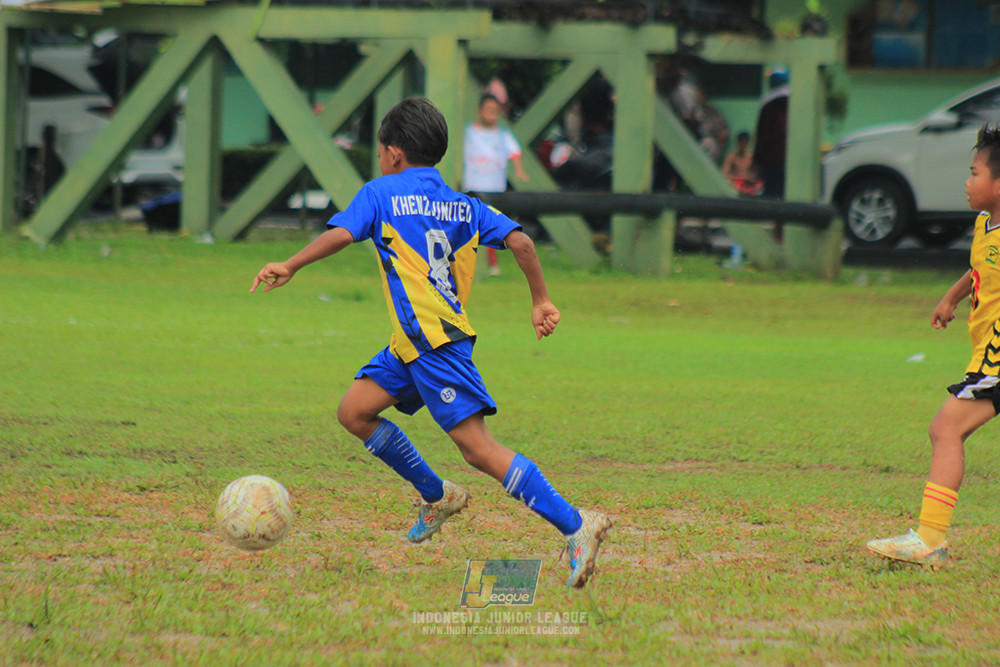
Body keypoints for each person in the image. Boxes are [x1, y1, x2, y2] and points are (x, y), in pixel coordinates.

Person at [251, 97, 612, 588]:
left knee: (479, 450)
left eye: (380, 150)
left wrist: (291, 264)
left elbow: (341, 234)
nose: (379, 159)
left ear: (394, 153)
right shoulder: (463, 203)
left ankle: (576, 524)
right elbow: (523, 244)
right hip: (411, 345)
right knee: (355, 411)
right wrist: (540, 300)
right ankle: (437, 494)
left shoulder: (381, 192)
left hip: (437, 346)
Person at [867, 124, 1000, 569]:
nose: (967, 180)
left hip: (996, 360)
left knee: (946, 430)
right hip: (987, 355)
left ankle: (929, 540)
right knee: (946, 430)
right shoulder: (986, 224)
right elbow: (978, 267)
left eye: (975, 172)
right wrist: (951, 297)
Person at [463, 93, 528, 276]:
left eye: (495, 111)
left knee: (489, 226)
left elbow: (515, 152)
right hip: (473, 187)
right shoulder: (469, 133)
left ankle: (490, 264)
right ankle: (476, 264)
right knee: (472, 227)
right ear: (479, 111)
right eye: (489, 110)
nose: (492, 114)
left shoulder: (502, 135)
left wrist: (519, 170)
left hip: (495, 189)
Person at [753, 67, 789, 199]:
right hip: (789, 156)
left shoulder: (767, 103)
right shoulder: (795, 100)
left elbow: (762, 133)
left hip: (771, 157)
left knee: (771, 191)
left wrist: (757, 157)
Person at [723, 131, 762, 197]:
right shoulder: (731, 157)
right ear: (738, 142)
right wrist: (736, 180)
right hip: (735, 186)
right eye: (741, 142)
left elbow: (755, 175)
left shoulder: (751, 158)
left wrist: (748, 179)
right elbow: (725, 173)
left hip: (748, 187)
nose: (743, 144)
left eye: (745, 142)